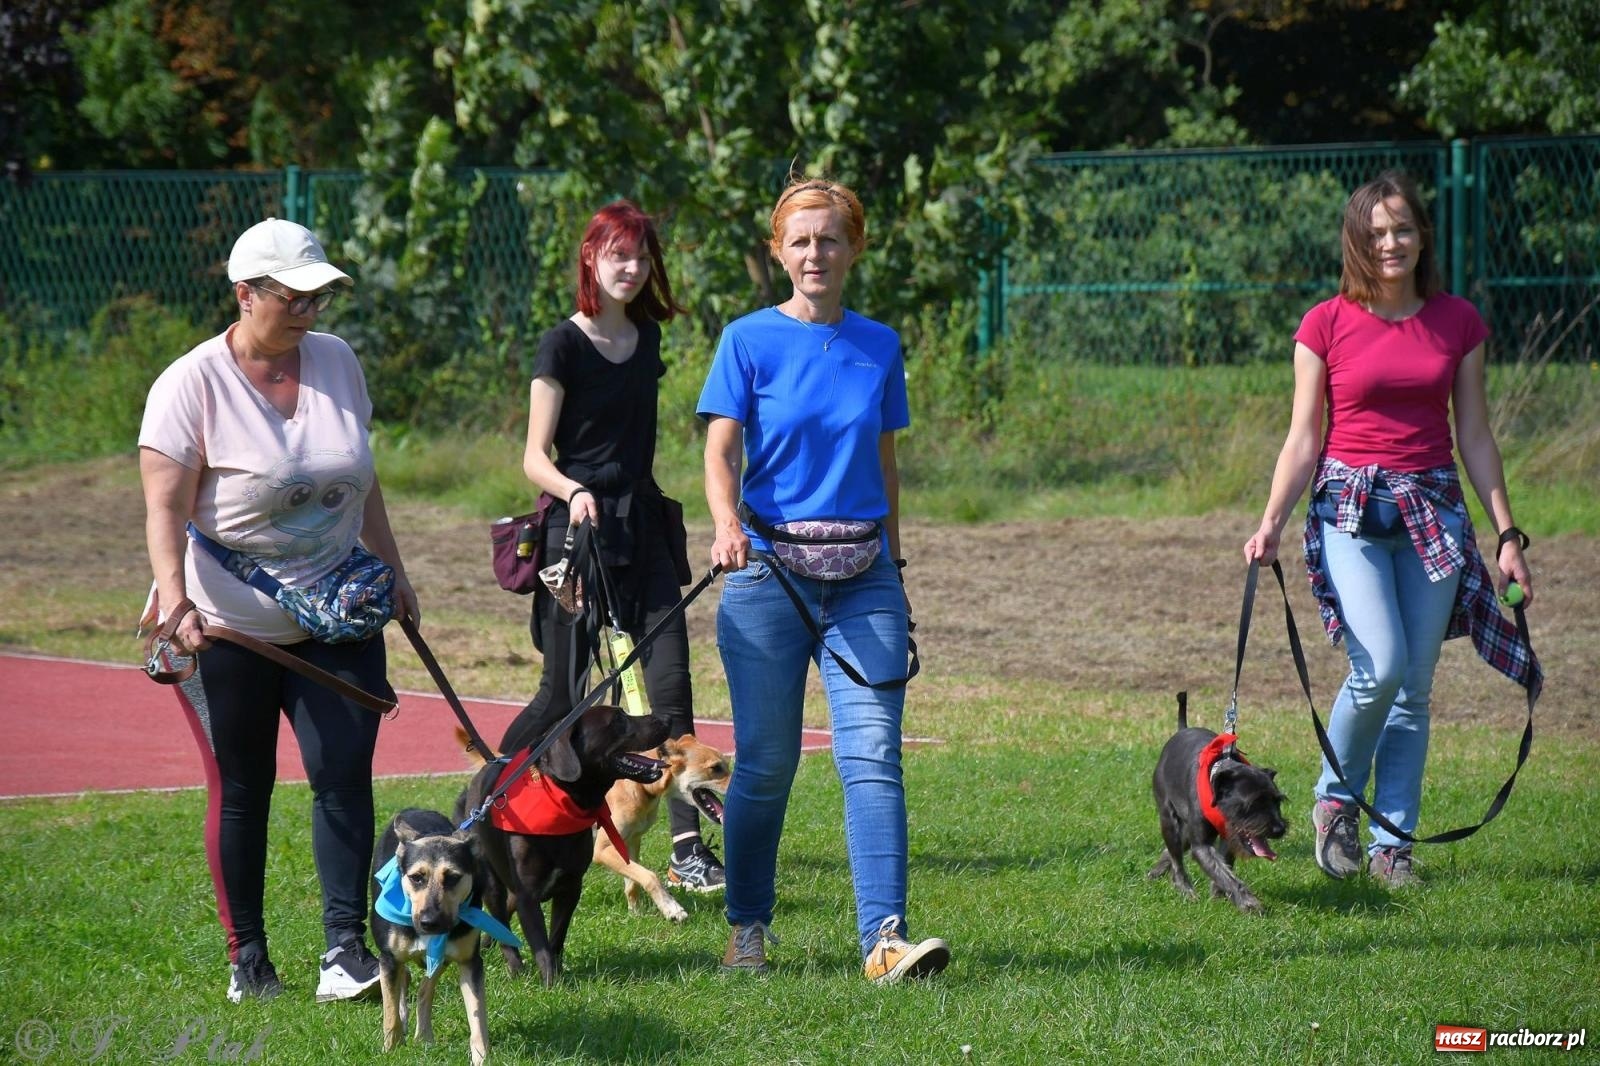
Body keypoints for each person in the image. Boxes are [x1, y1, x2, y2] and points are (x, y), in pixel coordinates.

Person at [138, 218, 419, 1002]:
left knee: (342, 776)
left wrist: (394, 571)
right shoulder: (189, 384)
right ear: (244, 293)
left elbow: (360, 480)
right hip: (228, 629)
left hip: (339, 613)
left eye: (318, 295)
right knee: (244, 783)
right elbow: (164, 510)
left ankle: (344, 953)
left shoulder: (337, 361)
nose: (307, 310)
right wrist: (175, 602)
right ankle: (249, 961)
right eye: (290, 296)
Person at [1243, 171, 1541, 888]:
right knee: (1379, 662)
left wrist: (1507, 536)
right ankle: (1334, 803)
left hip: (1433, 514)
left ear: (1421, 236)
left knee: (1414, 686)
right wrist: (1270, 523)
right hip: (1349, 509)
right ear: (1356, 241)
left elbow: (1474, 435)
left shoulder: (1458, 322)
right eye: (1375, 232)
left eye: (1401, 229)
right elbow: (1303, 438)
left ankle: (1392, 844)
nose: (1390, 242)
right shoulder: (1325, 323)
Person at [697, 177, 950, 983]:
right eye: (800, 240)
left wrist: (898, 567)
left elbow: (885, 460)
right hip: (767, 575)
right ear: (779, 252)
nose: (815, 253)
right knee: (767, 762)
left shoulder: (880, 344)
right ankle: (747, 931)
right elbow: (719, 451)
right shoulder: (746, 340)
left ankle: (885, 940)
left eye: (830, 239)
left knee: (873, 752)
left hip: (864, 574)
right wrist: (727, 523)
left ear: (854, 249)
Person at [498, 200, 725, 891]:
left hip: (644, 524)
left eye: (641, 255)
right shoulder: (560, 345)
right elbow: (535, 457)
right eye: (617, 254)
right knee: (561, 695)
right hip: (578, 526)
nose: (631, 267)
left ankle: (688, 849)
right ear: (591, 261)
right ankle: (491, 804)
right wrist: (572, 492)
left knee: (671, 687)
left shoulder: (648, 337)